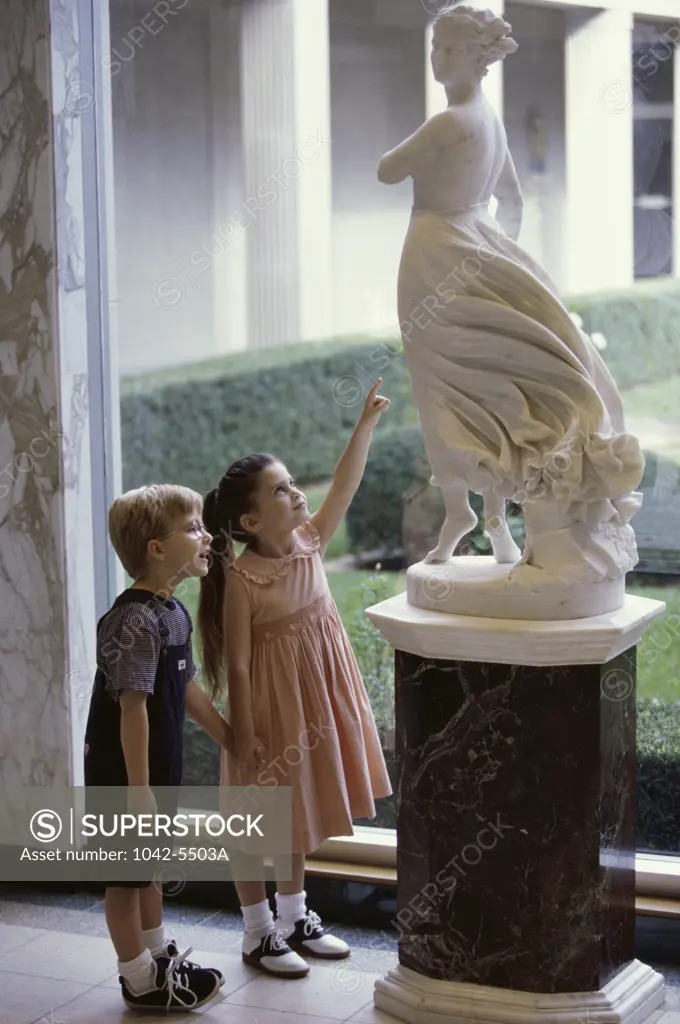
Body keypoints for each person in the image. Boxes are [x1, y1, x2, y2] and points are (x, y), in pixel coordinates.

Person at [378, 4, 643, 584]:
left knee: (443, 390)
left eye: (448, 50)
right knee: (484, 390)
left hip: (433, 251)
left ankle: (462, 514)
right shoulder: (492, 121)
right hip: (474, 247)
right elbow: (513, 203)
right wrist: (493, 261)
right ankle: (491, 520)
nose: (437, 60)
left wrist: (472, 258)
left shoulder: (450, 123)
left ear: (476, 59)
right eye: (435, 48)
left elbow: (387, 170)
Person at [197, 378, 393, 979]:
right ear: (251, 520)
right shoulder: (241, 580)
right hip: (270, 713)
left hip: (313, 706)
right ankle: (256, 932)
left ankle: (293, 915)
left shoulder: (310, 543)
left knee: (297, 811)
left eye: (291, 482)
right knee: (260, 816)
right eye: (281, 490)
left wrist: (363, 427)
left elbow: (345, 485)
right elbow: (236, 664)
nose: (296, 492)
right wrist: (244, 731)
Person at [84, 484, 233, 1012]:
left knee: (147, 866)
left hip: (154, 767)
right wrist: (139, 790)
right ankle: (139, 980)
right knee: (125, 878)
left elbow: (187, 684)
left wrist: (226, 736)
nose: (207, 535)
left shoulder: (171, 611)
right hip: (124, 774)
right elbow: (131, 708)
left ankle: (156, 954)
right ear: (156, 548)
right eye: (193, 528)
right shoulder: (134, 620)